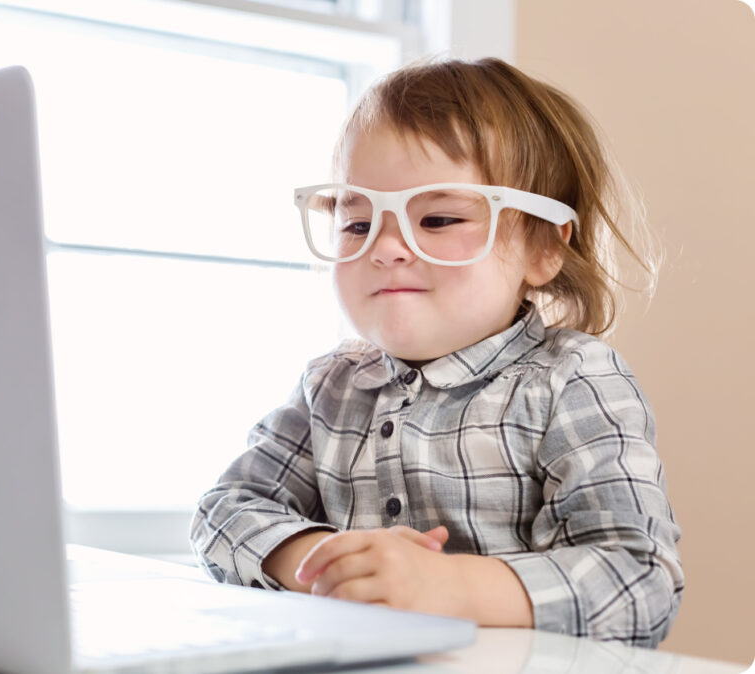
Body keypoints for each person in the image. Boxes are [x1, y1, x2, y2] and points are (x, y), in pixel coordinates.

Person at [189, 57, 684, 647]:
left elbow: (639, 579)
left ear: (544, 250)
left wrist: (450, 587)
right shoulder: (332, 385)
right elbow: (224, 508)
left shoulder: (570, 381)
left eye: (440, 217)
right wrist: (326, 561)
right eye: (356, 224)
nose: (387, 248)